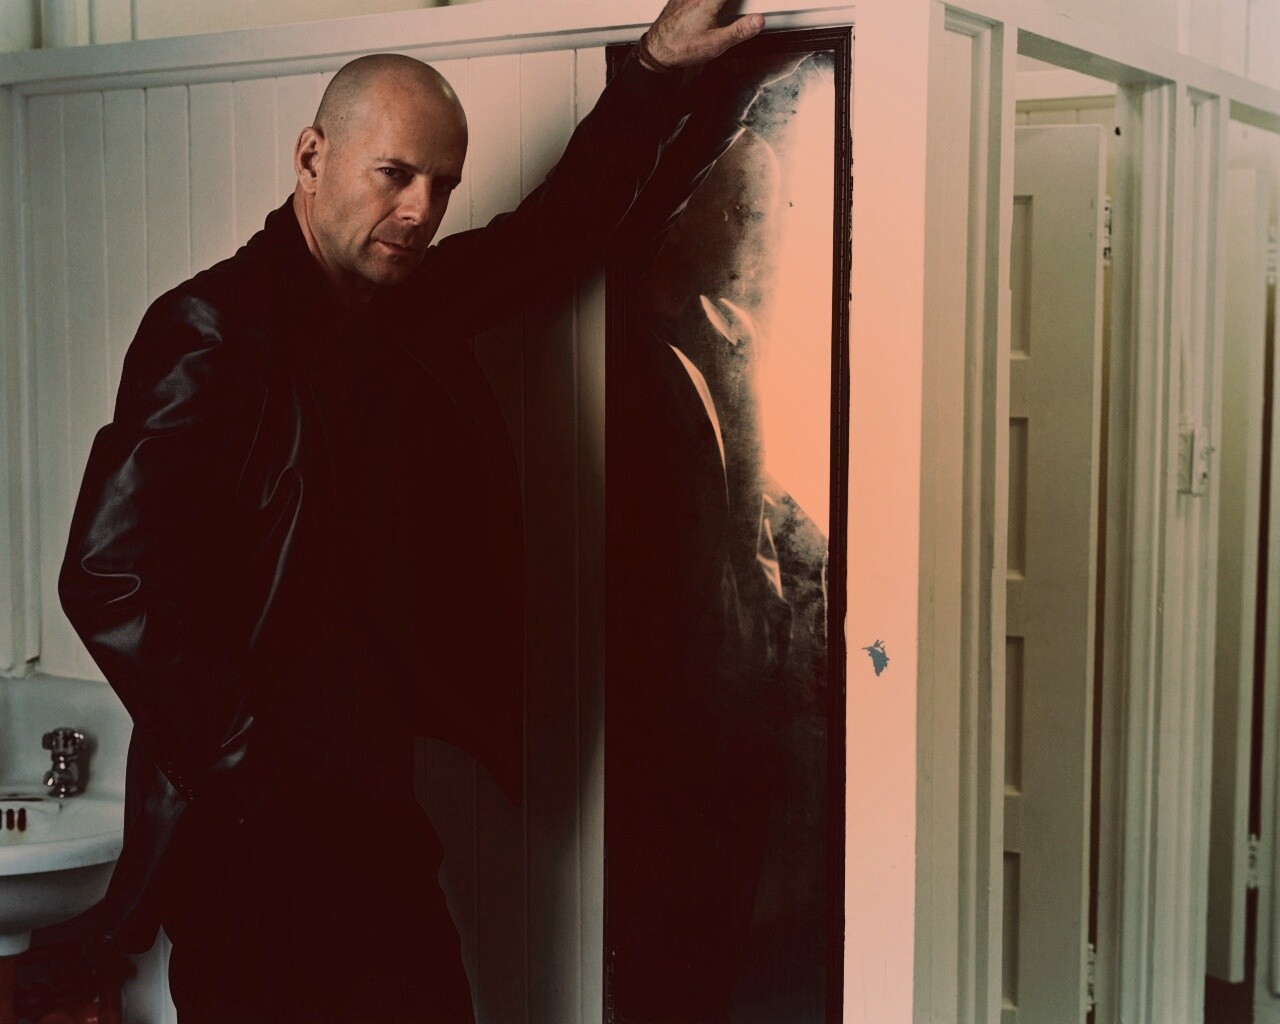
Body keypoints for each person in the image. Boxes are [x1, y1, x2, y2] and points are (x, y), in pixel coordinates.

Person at [56, 2, 768, 1020]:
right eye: (394, 174)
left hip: (369, 806)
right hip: (251, 832)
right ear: (312, 156)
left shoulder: (402, 308)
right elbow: (106, 575)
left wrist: (653, 70)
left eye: (442, 185)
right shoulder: (212, 331)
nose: (420, 210)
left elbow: (555, 234)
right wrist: (253, 764)